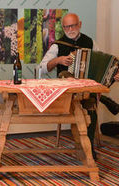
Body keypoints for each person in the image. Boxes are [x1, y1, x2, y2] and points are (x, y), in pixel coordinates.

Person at [40, 13, 99, 159]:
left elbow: (100, 62)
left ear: (80, 24)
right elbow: (42, 68)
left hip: (86, 89)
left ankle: (88, 146)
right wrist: (58, 60)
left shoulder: (90, 42)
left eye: (73, 25)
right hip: (67, 92)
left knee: (90, 102)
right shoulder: (58, 45)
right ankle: (85, 145)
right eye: (66, 26)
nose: (70, 29)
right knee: (85, 103)